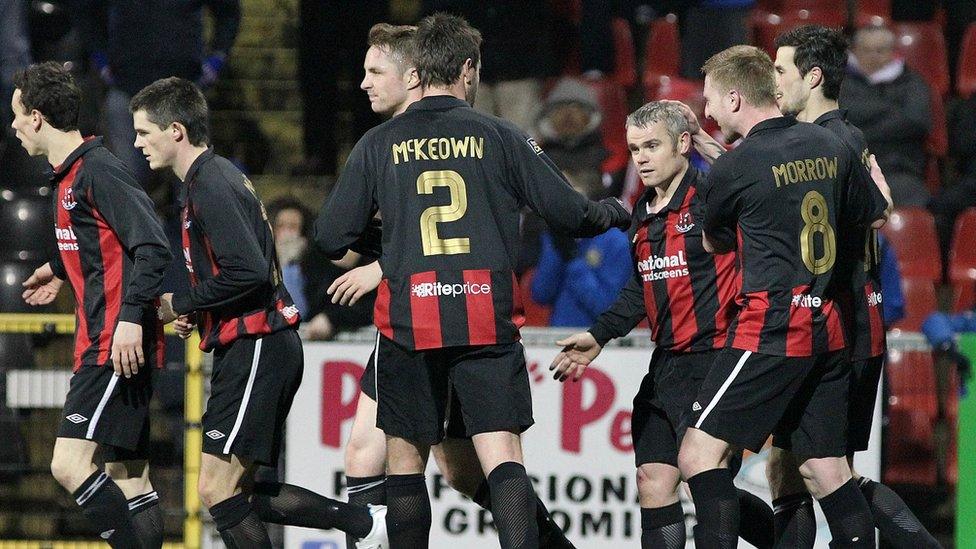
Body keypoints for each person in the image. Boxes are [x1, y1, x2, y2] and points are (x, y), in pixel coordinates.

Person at [314, 12, 630, 548]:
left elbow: (328, 236)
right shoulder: (502, 136)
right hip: (484, 317)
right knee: (500, 459)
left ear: (419, 70)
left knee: (406, 462)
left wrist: (384, 248)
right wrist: (622, 212)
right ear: (467, 69)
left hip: (409, 324)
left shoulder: (378, 144)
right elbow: (571, 215)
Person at [131, 76, 387, 548]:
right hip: (251, 345)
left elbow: (249, 271)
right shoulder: (210, 180)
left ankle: (364, 524)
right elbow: (237, 269)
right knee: (233, 492)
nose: (137, 143)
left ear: (176, 131)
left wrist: (178, 303)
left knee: (216, 488)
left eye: (145, 132)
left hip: (257, 345)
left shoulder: (210, 183)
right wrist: (201, 313)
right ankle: (364, 524)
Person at [675, 45, 889, 548]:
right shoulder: (831, 144)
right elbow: (872, 212)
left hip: (771, 329)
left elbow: (714, 241)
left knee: (696, 457)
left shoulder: (735, 167)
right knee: (824, 470)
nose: (706, 112)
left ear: (733, 98)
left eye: (709, 100)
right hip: (832, 327)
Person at [550, 101, 775, 549]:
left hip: (715, 357)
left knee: (702, 475)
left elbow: (760, 181)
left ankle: (785, 540)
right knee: (653, 478)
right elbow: (641, 287)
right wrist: (599, 335)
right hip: (668, 361)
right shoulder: (643, 211)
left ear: (683, 144)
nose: (643, 158)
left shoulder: (715, 197)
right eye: (635, 149)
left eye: (653, 146)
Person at [770, 25, 938, 548]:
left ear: (812, 76)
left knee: (825, 472)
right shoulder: (847, 138)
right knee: (792, 468)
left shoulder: (825, 144)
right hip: (847, 324)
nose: (773, 82)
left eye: (781, 71)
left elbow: (875, 212)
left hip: (841, 329)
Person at [12, 61, 171, 548]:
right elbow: (103, 241)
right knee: (129, 477)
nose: (13, 125)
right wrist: (58, 269)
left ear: (37, 117)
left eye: (17, 114)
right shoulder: (69, 175)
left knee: (68, 464)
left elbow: (152, 245)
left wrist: (127, 321)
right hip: (109, 337)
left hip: (112, 343)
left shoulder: (97, 170)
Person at [840, 24, 932, 207]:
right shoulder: (839, 82)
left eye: (880, 50)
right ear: (854, 51)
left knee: (914, 201)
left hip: (899, 169)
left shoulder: (912, 82)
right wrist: (889, 110)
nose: (873, 56)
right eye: (866, 50)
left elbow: (916, 122)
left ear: (892, 52)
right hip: (849, 168)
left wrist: (862, 125)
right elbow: (836, 117)